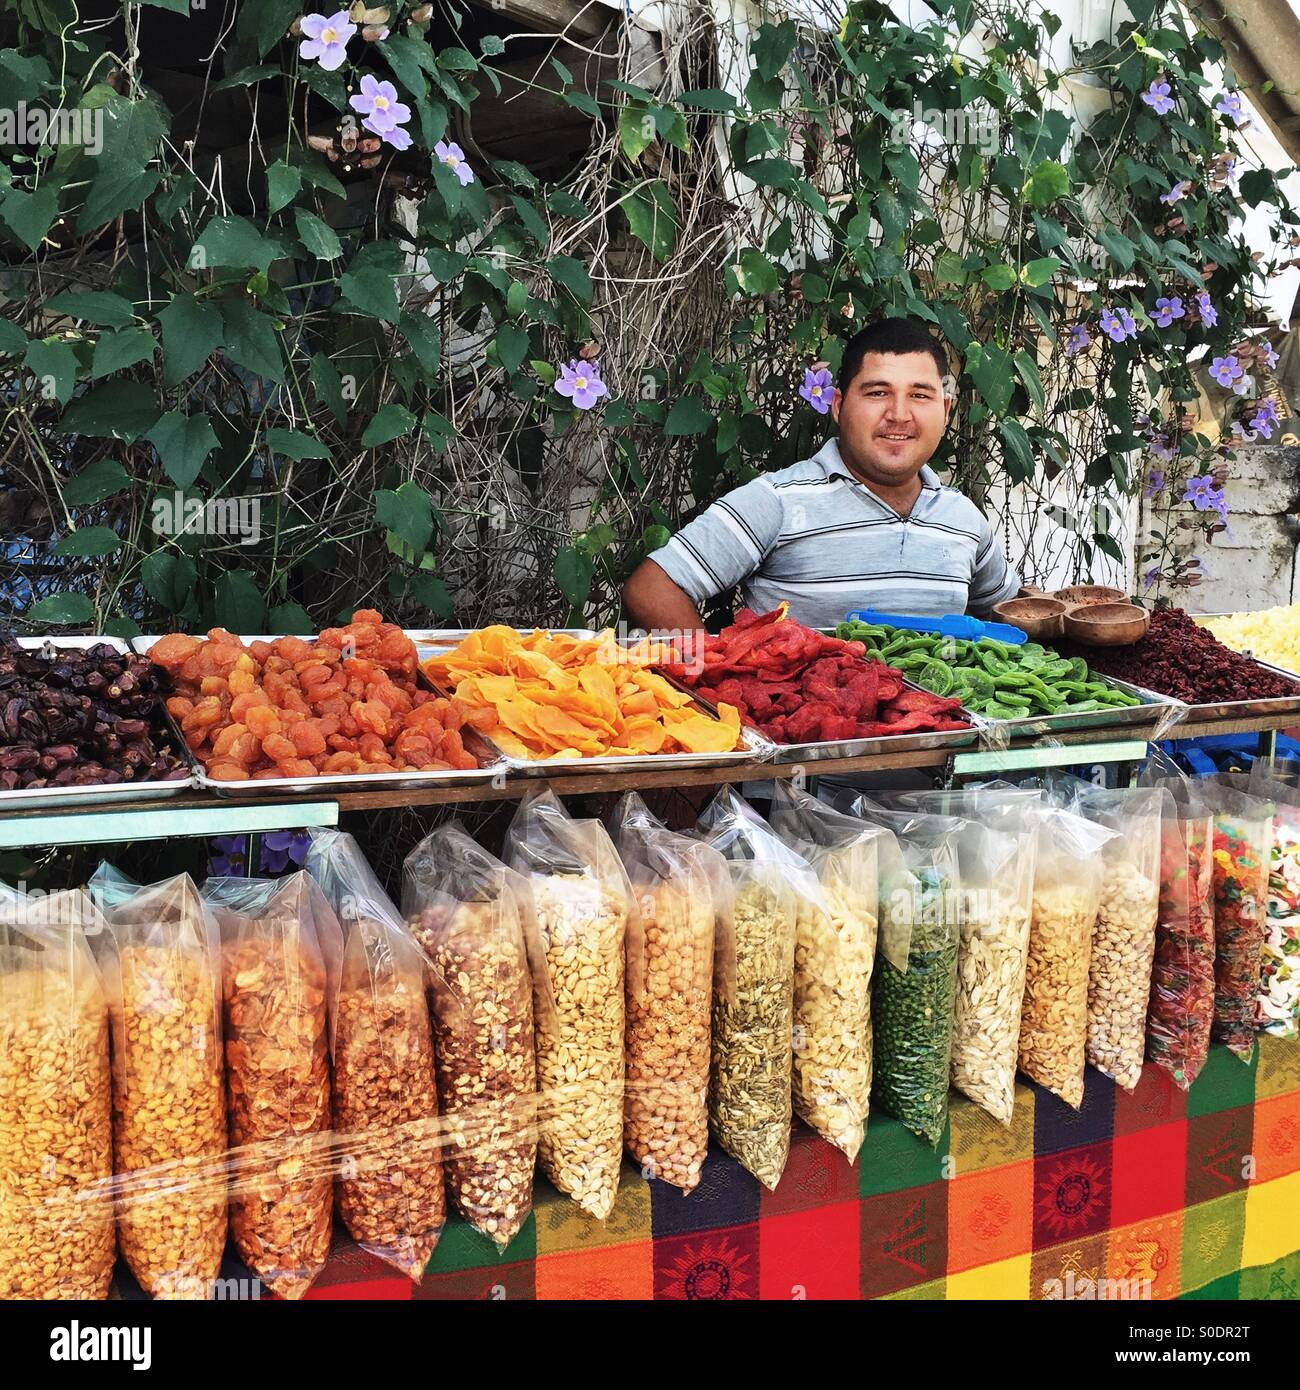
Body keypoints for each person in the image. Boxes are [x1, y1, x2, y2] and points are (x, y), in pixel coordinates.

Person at [622, 317, 1021, 631]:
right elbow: (652, 589)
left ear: (946, 409)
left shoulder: (963, 518)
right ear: (837, 406)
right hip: (810, 730)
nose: (899, 414)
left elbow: (1013, 611)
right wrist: (714, 684)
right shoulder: (777, 501)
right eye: (877, 393)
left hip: (940, 731)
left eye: (920, 395)